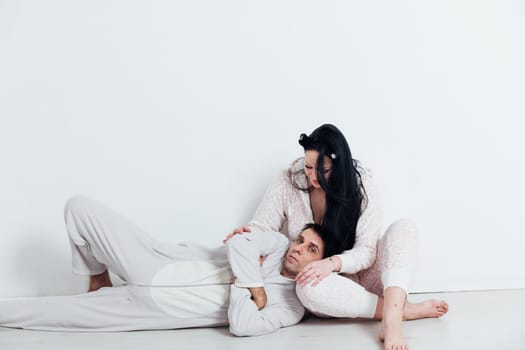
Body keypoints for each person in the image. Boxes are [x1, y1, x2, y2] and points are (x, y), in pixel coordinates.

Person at [224, 124, 449, 349]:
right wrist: (248, 236)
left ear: (339, 167)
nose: (313, 176)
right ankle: (402, 309)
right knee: (306, 286)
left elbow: (367, 251)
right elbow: (263, 226)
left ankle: (392, 322)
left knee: (405, 227)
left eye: (323, 170)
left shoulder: (362, 187)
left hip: (367, 276)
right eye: (308, 167)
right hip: (331, 291)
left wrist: (331, 263)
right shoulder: (288, 182)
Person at [0, 195, 330, 336]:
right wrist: (254, 286)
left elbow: (243, 327)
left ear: (320, 263)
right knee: (78, 207)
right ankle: (98, 280)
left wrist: (243, 282)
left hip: (147, 312)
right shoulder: (276, 243)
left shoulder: (291, 308)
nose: (299, 248)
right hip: (155, 260)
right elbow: (240, 242)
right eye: (301, 240)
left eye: (310, 249)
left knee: (39, 316)